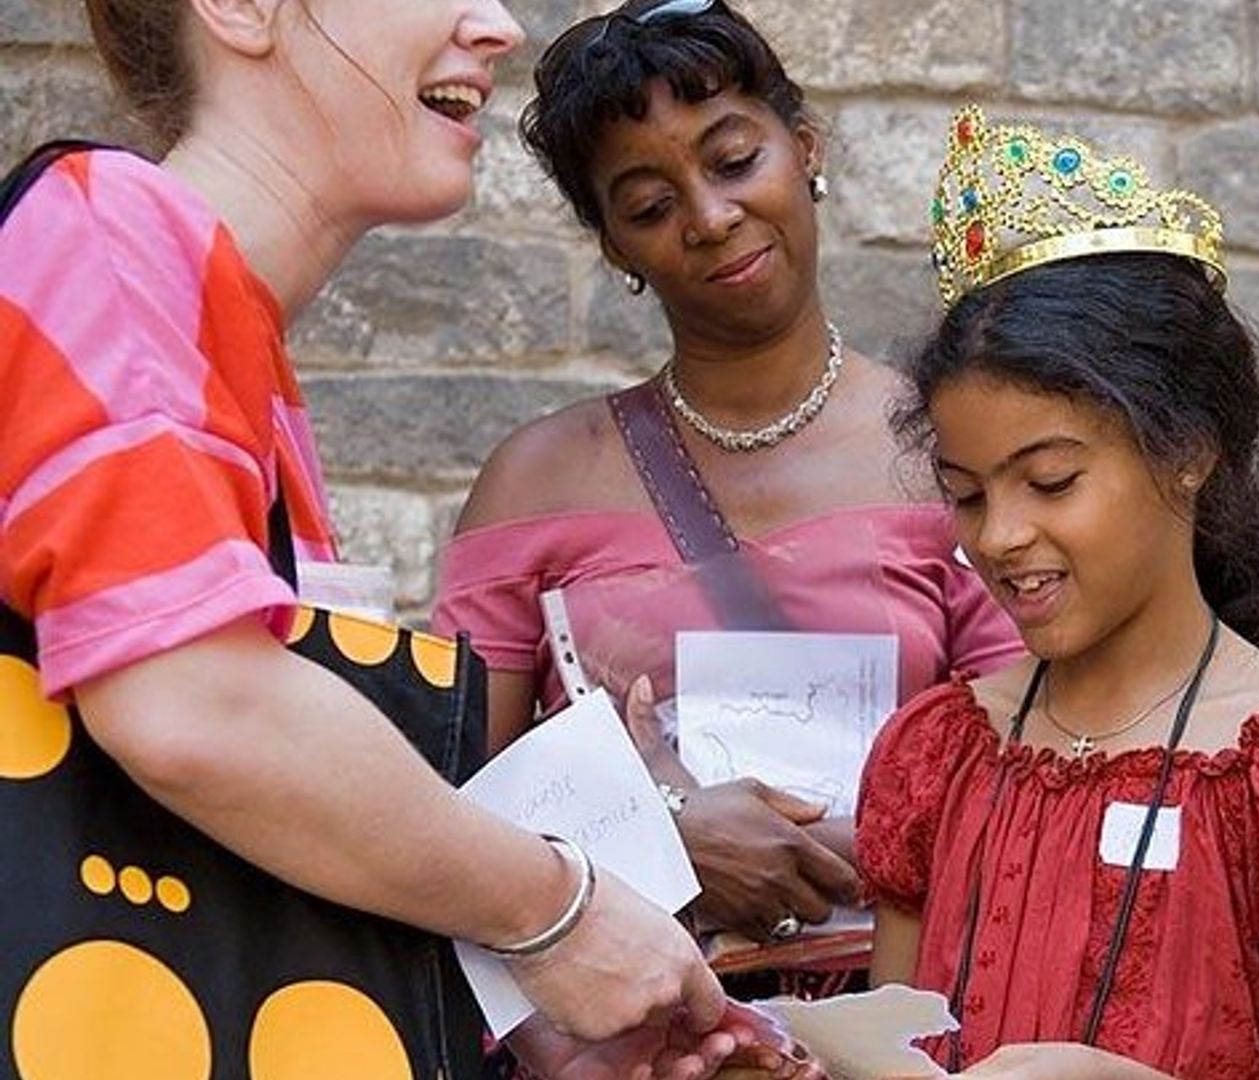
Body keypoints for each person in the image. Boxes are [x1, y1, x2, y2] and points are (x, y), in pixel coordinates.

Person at [0, 2, 797, 1078]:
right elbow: (196, 707)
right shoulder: (113, 234)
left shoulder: (224, 336)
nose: (499, 25)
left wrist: (536, 1022)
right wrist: (557, 913)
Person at [431, 0, 1020, 993]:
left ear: (806, 147)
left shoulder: (953, 451)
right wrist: (659, 836)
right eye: (651, 207)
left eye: (735, 159)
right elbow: (445, 810)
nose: (709, 218)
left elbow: (1049, 767)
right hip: (627, 1041)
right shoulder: (533, 483)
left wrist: (860, 846)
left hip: (917, 1036)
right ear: (616, 248)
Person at [854, 106, 1259, 1080]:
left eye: (1050, 482)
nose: (1001, 536)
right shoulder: (939, 757)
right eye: (967, 495)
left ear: (1186, 452)